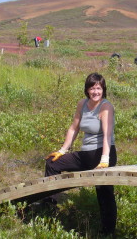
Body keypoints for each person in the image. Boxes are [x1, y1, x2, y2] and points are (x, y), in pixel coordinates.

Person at [44, 72, 117, 235]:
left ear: (103, 89)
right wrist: (62, 150)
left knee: (104, 190)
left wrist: (104, 160)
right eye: (92, 88)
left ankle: (108, 231)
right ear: (87, 90)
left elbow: (107, 135)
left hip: (103, 154)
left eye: (98, 88)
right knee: (52, 163)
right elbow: (73, 128)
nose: (95, 92)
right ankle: (49, 209)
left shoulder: (106, 107)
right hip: (85, 155)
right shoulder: (82, 104)